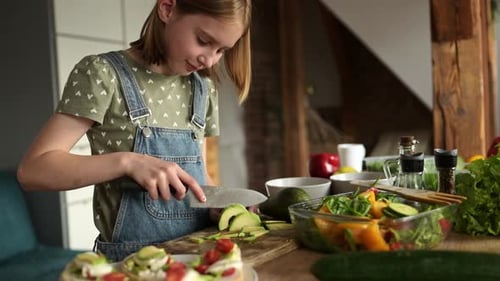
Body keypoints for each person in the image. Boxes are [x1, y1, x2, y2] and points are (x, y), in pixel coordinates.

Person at [17, 0, 252, 262]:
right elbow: (33, 171)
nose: (209, 59)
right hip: (130, 266)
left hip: (197, 259)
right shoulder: (102, 74)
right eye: (203, 40)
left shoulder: (203, 89)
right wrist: (128, 162)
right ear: (167, 9)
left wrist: (217, 207)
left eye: (222, 50)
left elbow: (198, 178)